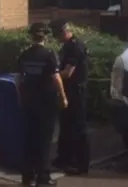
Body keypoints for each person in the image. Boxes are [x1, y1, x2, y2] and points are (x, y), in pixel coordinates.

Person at [16, 22, 68, 186]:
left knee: (29, 139)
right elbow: (56, 77)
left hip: (29, 102)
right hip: (46, 103)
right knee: (44, 141)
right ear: (45, 37)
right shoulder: (49, 55)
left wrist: (21, 97)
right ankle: (42, 178)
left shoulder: (24, 55)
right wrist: (63, 96)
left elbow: (19, 80)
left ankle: (27, 177)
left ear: (31, 37)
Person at [50, 19, 91, 176]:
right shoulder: (67, 47)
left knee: (79, 128)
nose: (56, 39)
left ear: (63, 32)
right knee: (65, 126)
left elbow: (68, 72)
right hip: (68, 91)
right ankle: (64, 159)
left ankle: (81, 164)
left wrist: (51, 76)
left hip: (77, 92)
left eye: (57, 35)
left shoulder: (75, 47)